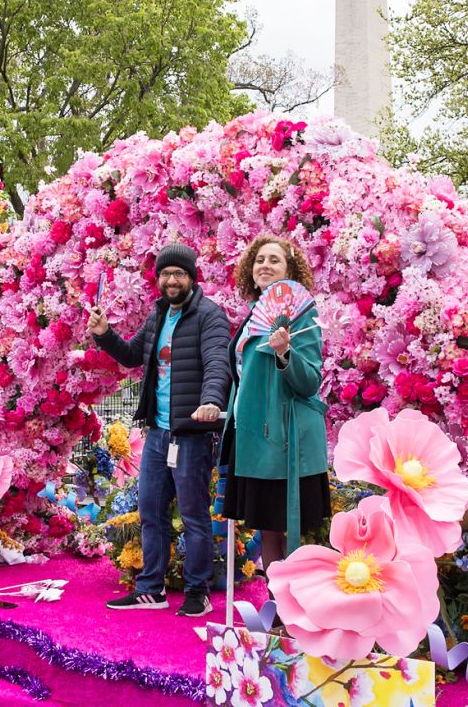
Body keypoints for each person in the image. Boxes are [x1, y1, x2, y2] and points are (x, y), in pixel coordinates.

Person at [90, 243, 231, 617]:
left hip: (191, 434)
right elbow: (131, 355)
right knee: (150, 512)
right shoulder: (157, 316)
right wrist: (105, 334)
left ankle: (197, 592)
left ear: (191, 277)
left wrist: (211, 400)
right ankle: (150, 589)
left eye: (178, 273)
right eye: (165, 273)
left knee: (194, 516)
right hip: (158, 434)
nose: (171, 280)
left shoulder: (210, 316)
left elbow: (218, 363)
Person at [223, 235, 328, 570]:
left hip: (287, 440)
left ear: (289, 271)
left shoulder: (302, 316)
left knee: (293, 535)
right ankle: (275, 601)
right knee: (268, 531)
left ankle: (295, 601)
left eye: (274, 260)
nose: (265, 265)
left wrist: (285, 353)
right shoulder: (253, 317)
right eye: (259, 260)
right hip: (255, 438)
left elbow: (309, 381)